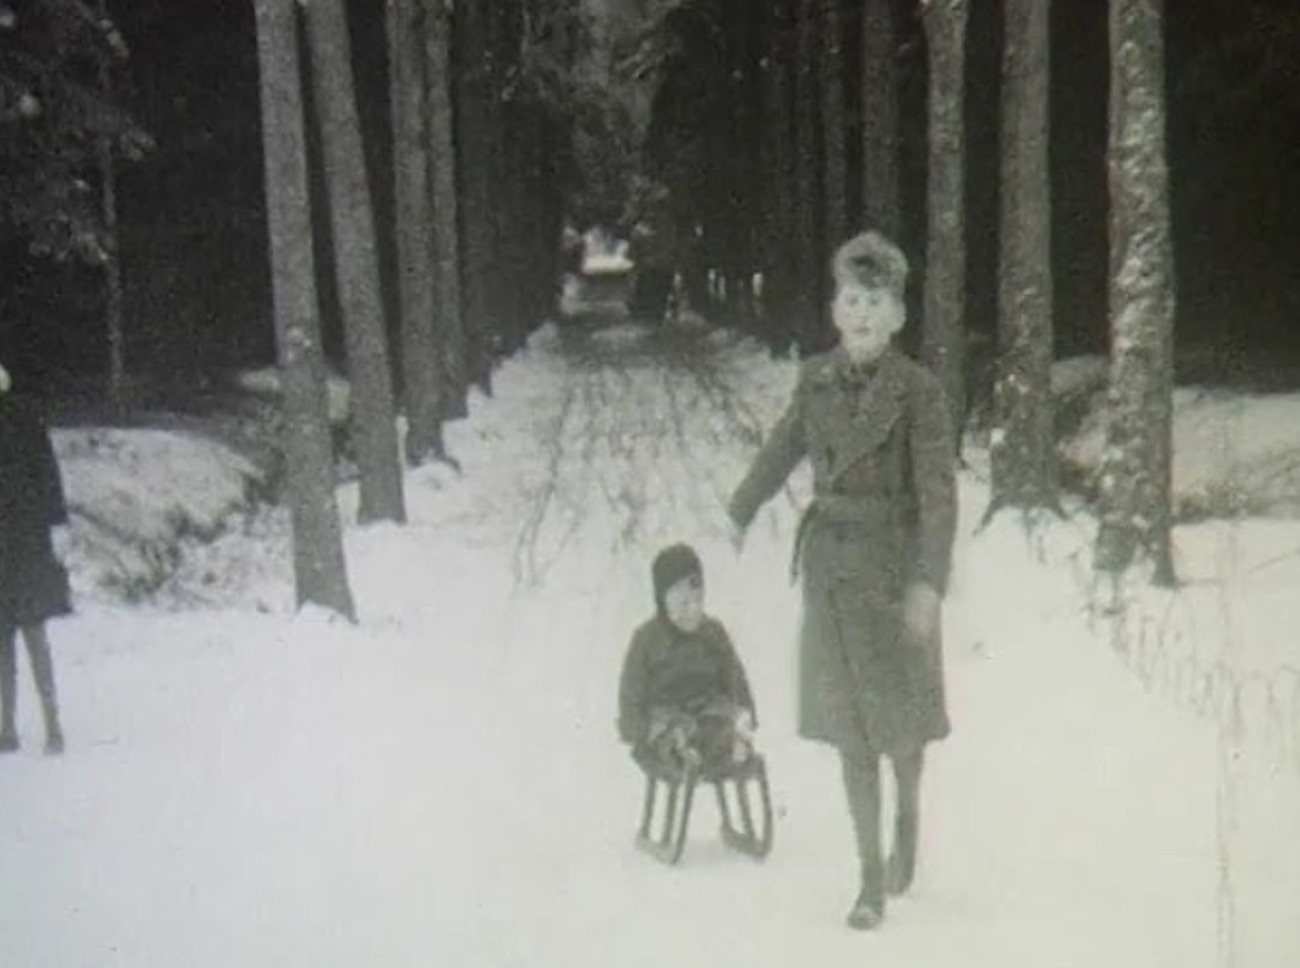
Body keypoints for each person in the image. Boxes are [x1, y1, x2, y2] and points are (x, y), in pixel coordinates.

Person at [726, 231, 957, 931]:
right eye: (850, 299)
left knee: (901, 730)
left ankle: (907, 818)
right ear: (835, 309)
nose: (860, 313)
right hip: (830, 573)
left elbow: (940, 499)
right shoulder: (817, 379)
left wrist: (927, 585)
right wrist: (743, 505)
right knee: (851, 733)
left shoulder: (918, 392)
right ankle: (868, 880)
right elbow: (784, 445)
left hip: (892, 578)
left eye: (875, 301)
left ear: (896, 317)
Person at [617, 543, 756, 776]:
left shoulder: (712, 634)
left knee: (720, 723)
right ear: (662, 601)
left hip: (708, 719)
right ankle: (679, 750)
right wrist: (647, 729)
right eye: (683, 604)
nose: (692, 611)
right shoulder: (647, 640)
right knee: (673, 730)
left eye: (697, 601)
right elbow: (629, 707)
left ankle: (728, 744)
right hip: (665, 725)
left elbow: (736, 683)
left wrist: (742, 713)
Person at [0, 360, 70, 756]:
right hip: (31, 545)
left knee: (3, 643)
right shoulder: (29, 421)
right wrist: (55, 523)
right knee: (35, 637)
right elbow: (49, 475)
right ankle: (52, 725)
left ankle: (6, 728)